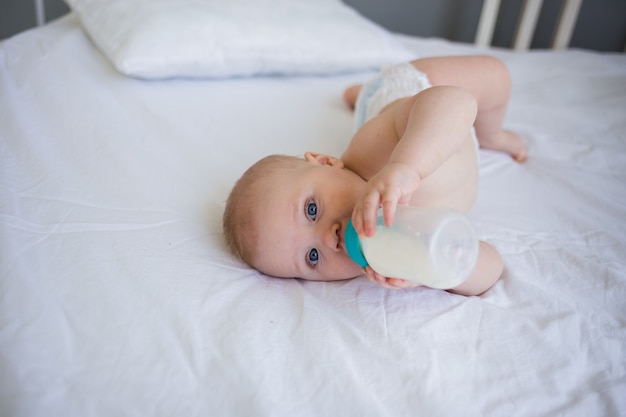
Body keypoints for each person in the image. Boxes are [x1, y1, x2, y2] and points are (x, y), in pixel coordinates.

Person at [223, 55, 527, 296]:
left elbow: (457, 103)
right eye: (312, 258)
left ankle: (490, 134)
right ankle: (361, 99)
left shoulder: (371, 151)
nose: (330, 239)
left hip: (417, 92)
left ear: (327, 162)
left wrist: (405, 167)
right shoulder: (394, 248)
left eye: (311, 209)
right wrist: (433, 271)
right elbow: (492, 267)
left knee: (495, 75)